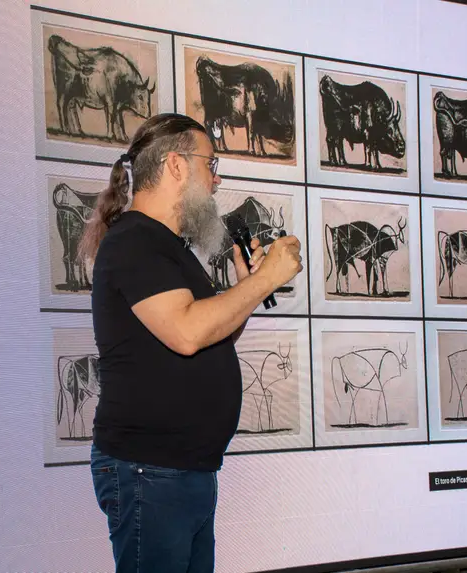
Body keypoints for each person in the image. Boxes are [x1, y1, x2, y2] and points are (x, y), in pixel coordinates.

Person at [77, 113, 303, 573]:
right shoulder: (134, 240)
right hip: (150, 471)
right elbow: (185, 333)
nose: (216, 179)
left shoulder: (168, 246)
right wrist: (265, 281)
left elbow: (211, 334)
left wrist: (248, 288)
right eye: (210, 163)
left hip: (180, 470)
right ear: (176, 165)